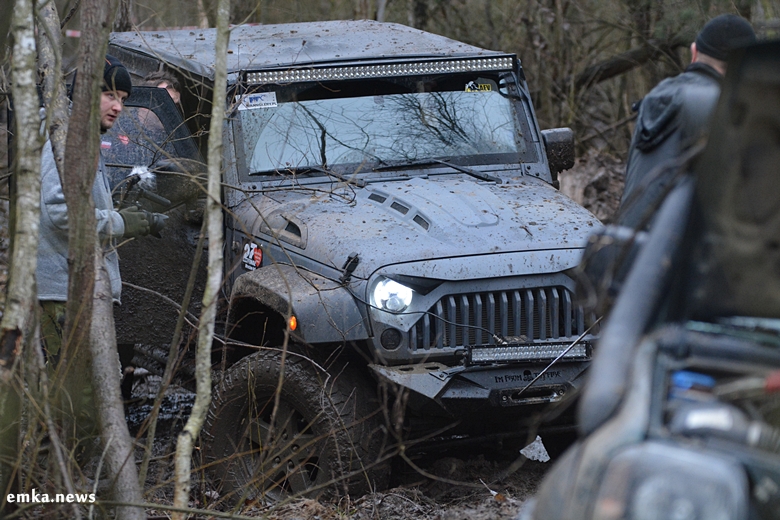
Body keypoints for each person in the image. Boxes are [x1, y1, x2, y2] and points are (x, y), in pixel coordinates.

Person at [37, 56, 160, 411]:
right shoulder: (67, 140)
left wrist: (121, 213)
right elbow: (58, 212)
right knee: (80, 404)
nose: (118, 106)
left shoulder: (83, 138)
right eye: (109, 95)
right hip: (65, 294)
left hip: (73, 289)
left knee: (82, 402)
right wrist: (119, 223)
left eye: (122, 98)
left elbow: (78, 203)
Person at [618, 14, 756, 228]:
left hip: (627, 243)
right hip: (672, 246)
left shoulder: (656, 97)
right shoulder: (723, 109)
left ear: (693, 52)